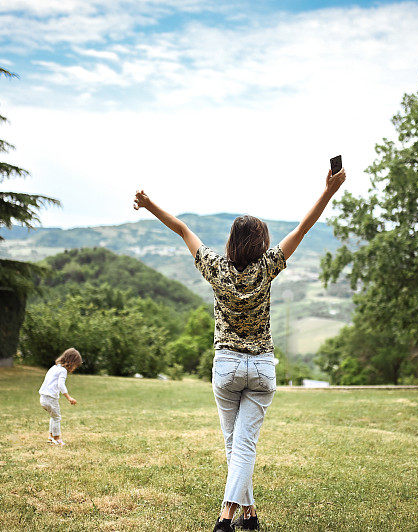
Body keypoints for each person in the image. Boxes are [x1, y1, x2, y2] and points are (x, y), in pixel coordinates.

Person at [133, 165, 346, 531]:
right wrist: (329, 191)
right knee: (241, 445)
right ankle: (241, 517)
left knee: (236, 445)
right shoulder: (268, 267)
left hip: (226, 367)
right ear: (261, 244)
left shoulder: (215, 267)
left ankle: (232, 517)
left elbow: (183, 228)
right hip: (261, 366)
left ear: (232, 240)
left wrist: (149, 203)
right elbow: (304, 228)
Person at [38, 347, 82, 446]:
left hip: (43, 397)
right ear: (71, 362)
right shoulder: (63, 371)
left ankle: (51, 437)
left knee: (53, 416)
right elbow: (61, 385)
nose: (74, 368)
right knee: (57, 418)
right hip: (51, 398)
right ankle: (57, 439)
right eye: (75, 365)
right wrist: (69, 397)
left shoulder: (54, 368)